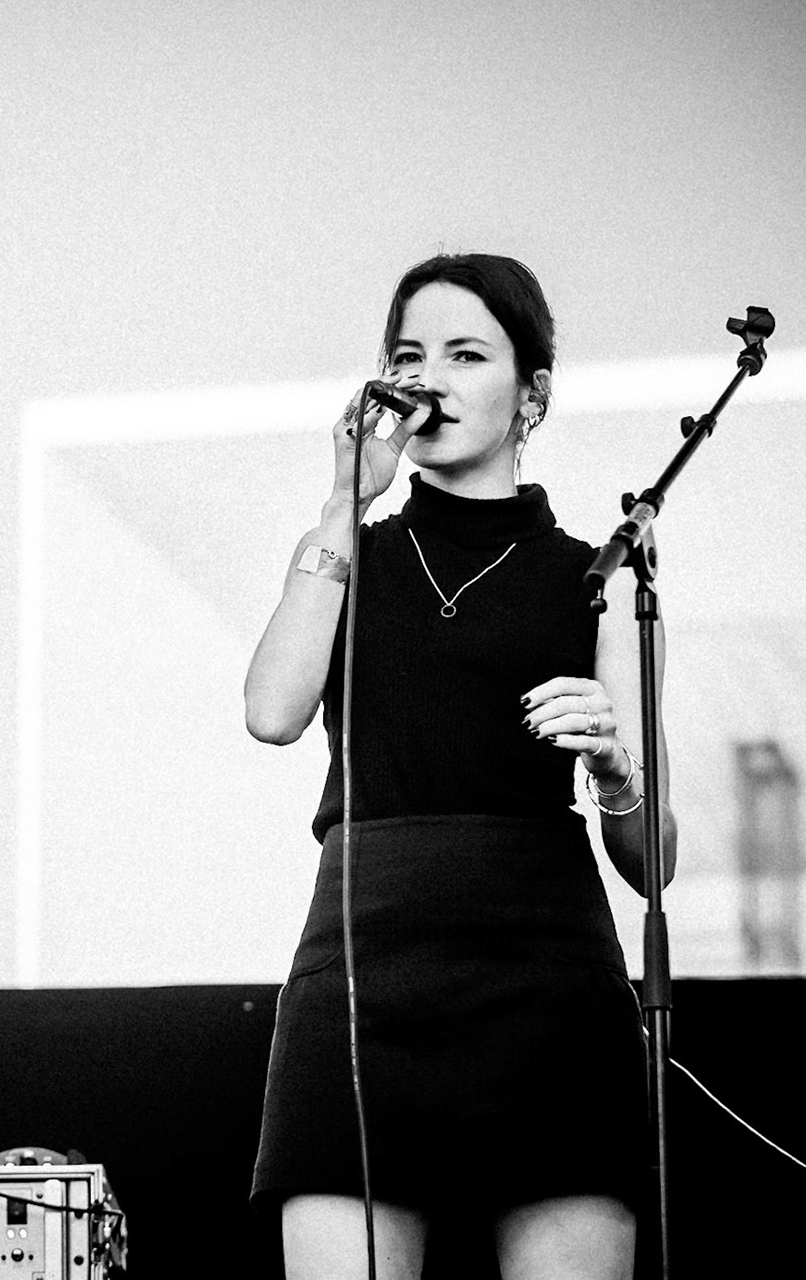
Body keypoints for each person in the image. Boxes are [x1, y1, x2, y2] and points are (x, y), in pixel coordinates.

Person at [243, 255, 677, 1279]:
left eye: (466, 353)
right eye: (408, 354)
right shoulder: (353, 551)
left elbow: (655, 863)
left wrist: (617, 766)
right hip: (364, 970)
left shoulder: (596, 578)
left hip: (547, 984)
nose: (429, 377)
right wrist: (342, 502)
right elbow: (271, 710)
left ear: (531, 395)